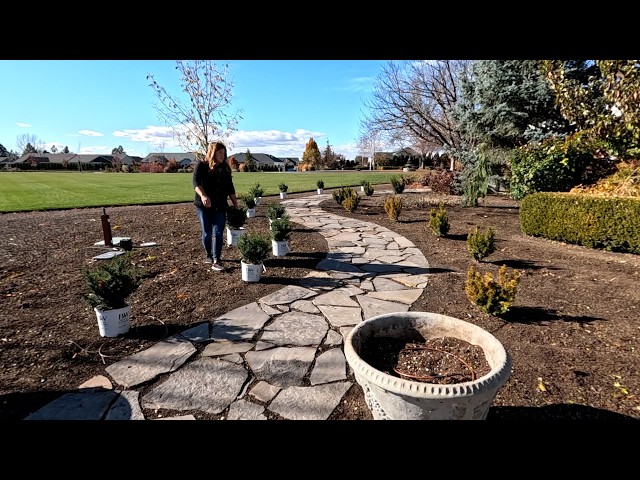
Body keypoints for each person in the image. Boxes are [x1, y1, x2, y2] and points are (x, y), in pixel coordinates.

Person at [193, 141, 239, 271]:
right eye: (219, 152)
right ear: (212, 152)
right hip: (204, 206)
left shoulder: (225, 169)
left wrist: (235, 202)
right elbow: (195, 182)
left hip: (220, 206)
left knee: (219, 233)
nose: (222, 155)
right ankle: (208, 254)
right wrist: (203, 195)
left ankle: (217, 259)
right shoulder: (201, 166)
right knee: (207, 234)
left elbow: (230, 187)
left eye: (224, 153)